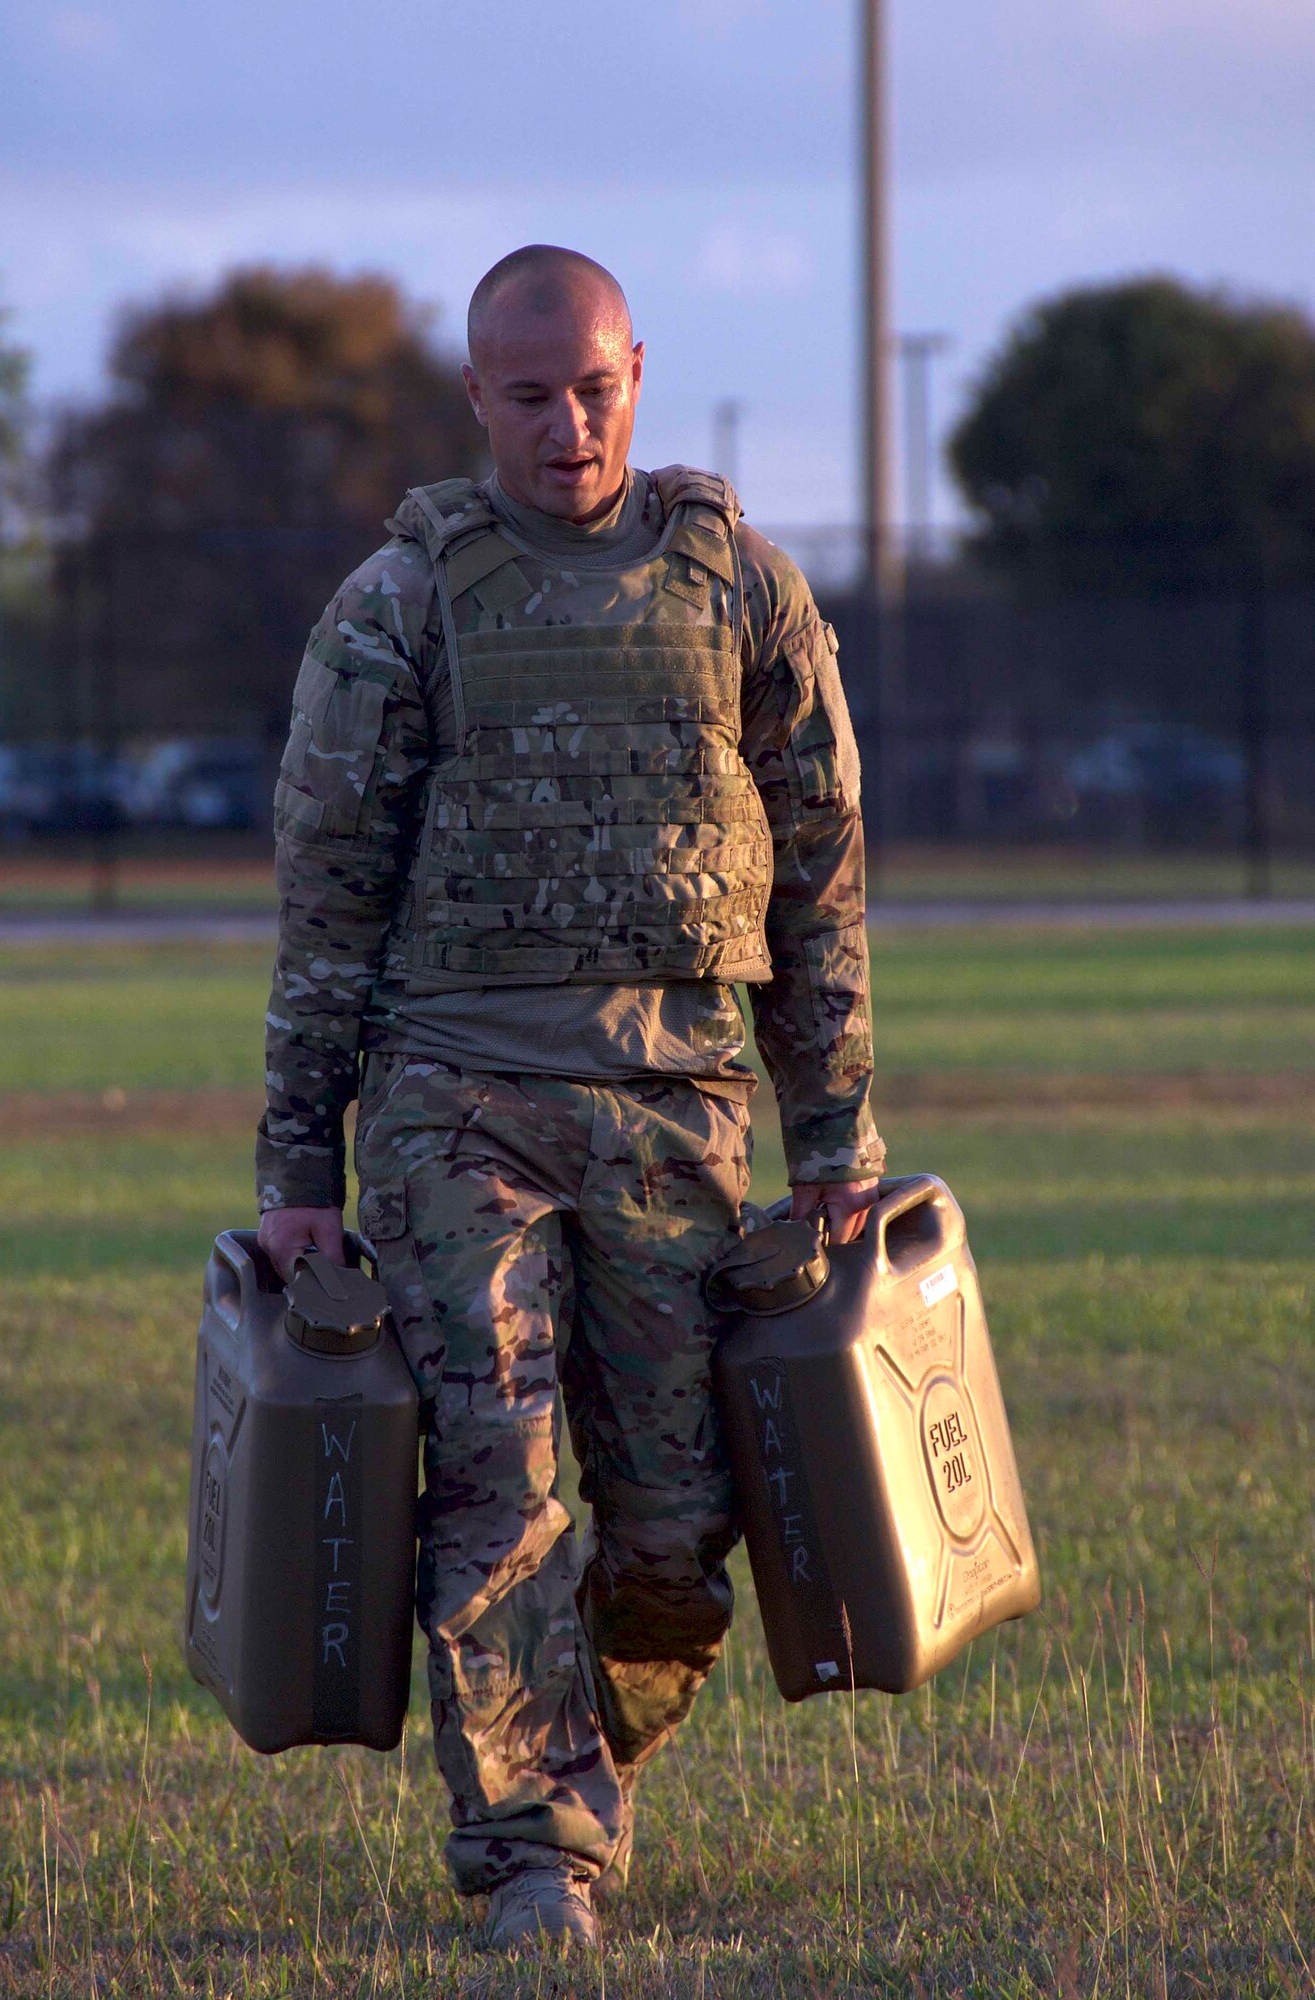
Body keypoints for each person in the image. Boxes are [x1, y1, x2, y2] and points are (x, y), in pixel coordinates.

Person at [255, 244, 883, 1948]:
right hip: (460, 1099)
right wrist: (300, 1157)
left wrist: (835, 1133)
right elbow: (328, 898)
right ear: (477, 400)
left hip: (679, 1106)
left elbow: (818, 869)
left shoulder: (740, 586)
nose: (565, 424)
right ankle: (542, 1855)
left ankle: (584, 1753)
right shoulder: (404, 601)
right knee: (500, 1478)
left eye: (592, 386)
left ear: (634, 372)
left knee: (676, 1522)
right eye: (527, 394)